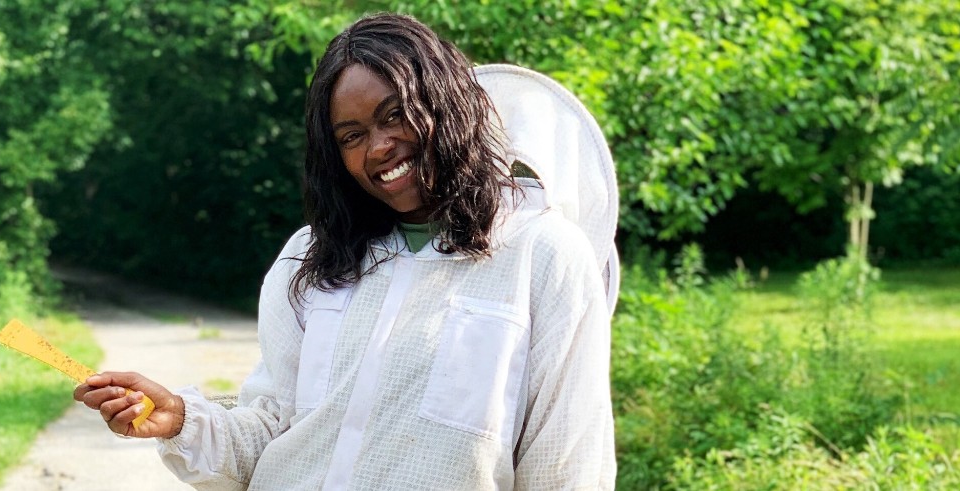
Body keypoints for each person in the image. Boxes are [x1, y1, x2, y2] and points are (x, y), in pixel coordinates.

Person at [74, 12, 616, 490]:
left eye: (395, 114)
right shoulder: (312, 256)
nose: (379, 147)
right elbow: (273, 430)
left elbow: (567, 465)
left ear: (447, 104)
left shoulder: (541, 252)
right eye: (351, 136)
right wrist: (179, 419)